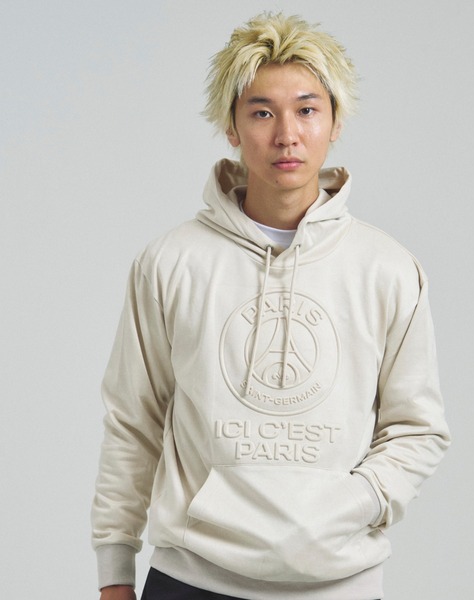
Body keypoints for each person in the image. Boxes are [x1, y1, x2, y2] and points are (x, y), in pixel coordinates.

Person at [92, 12, 450, 600]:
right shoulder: (170, 262)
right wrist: (114, 571)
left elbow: (417, 428)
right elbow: (134, 421)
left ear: (335, 121)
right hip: (192, 576)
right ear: (230, 127)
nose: (287, 134)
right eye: (262, 112)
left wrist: (356, 501)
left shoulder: (387, 269)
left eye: (307, 110)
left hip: (338, 582)